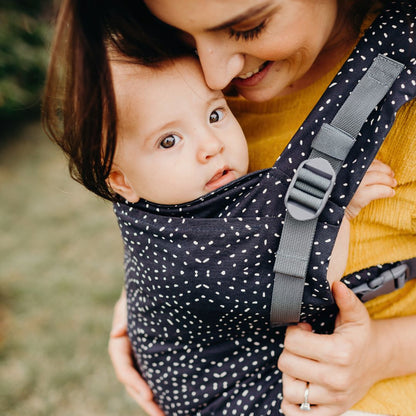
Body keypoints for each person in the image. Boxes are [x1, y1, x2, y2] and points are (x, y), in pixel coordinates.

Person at [42, 0, 416, 415]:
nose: (217, 74)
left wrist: (382, 353)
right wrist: (142, 305)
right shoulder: (189, 81)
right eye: (182, 33)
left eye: (248, 27)